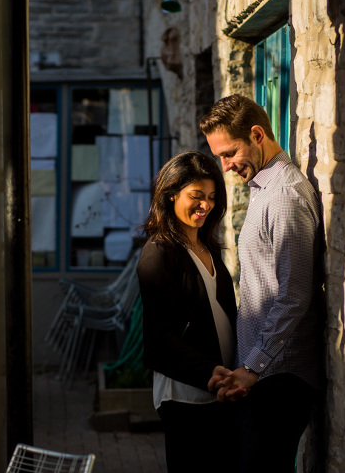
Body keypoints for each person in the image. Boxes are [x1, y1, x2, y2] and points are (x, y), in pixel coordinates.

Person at [201, 94, 324, 472]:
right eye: (220, 157)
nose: (225, 166)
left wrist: (253, 367)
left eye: (229, 153)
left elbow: (294, 295)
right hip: (261, 375)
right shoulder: (262, 188)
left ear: (257, 135)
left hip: (281, 377)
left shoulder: (284, 196)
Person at [136, 150, 239, 473]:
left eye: (211, 197)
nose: (205, 205)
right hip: (185, 398)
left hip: (219, 393)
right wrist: (208, 372)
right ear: (171, 194)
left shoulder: (208, 249)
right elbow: (157, 340)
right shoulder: (159, 253)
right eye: (196, 196)